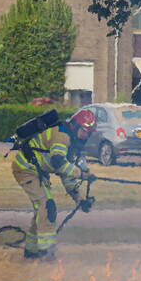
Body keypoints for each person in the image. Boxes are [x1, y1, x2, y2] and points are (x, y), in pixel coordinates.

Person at [11, 109, 97, 259]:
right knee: (47, 207)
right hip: (26, 169)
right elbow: (59, 163)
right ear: (76, 126)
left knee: (42, 210)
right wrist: (82, 174)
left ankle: (31, 251)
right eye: (85, 131)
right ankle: (46, 252)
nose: (86, 136)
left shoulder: (73, 142)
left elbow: (67, 175)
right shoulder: (62, 136)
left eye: (90, 133)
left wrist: (80, 199)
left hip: (37, 171)